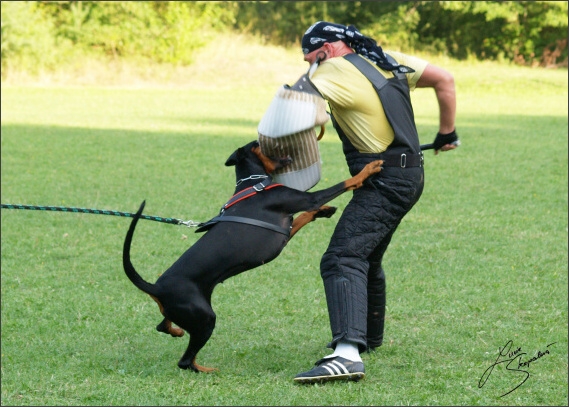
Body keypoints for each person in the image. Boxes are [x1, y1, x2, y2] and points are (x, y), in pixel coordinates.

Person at [293, 21, 458, 384]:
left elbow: (294, 104)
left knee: (342, 257)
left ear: (330, 47)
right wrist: (448, 131)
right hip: (409, 174)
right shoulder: (385, 59)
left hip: (384, 180)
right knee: (365, 254)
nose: (310, 66)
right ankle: (367, 336)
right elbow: (445, 80)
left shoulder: (333, 68)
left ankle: (347, 354)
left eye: (312, 58)